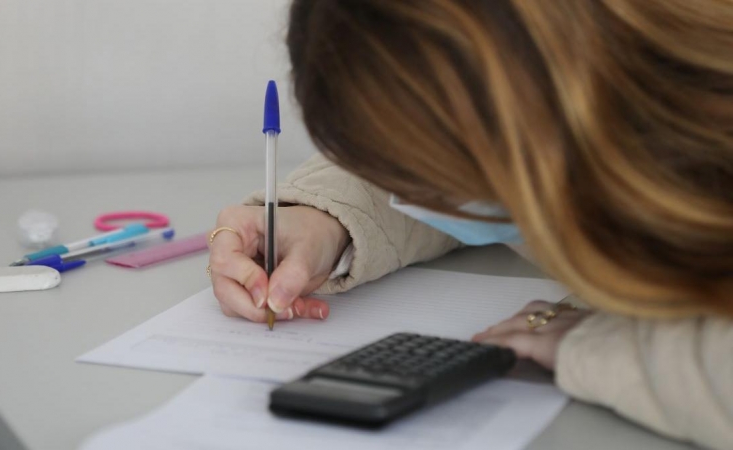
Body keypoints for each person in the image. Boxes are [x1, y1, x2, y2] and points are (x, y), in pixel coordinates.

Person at [206, 1, 733, 448]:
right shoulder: (563, 103)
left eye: (418, 174)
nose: (405, 194)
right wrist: (325, 218)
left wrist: (606, 350)